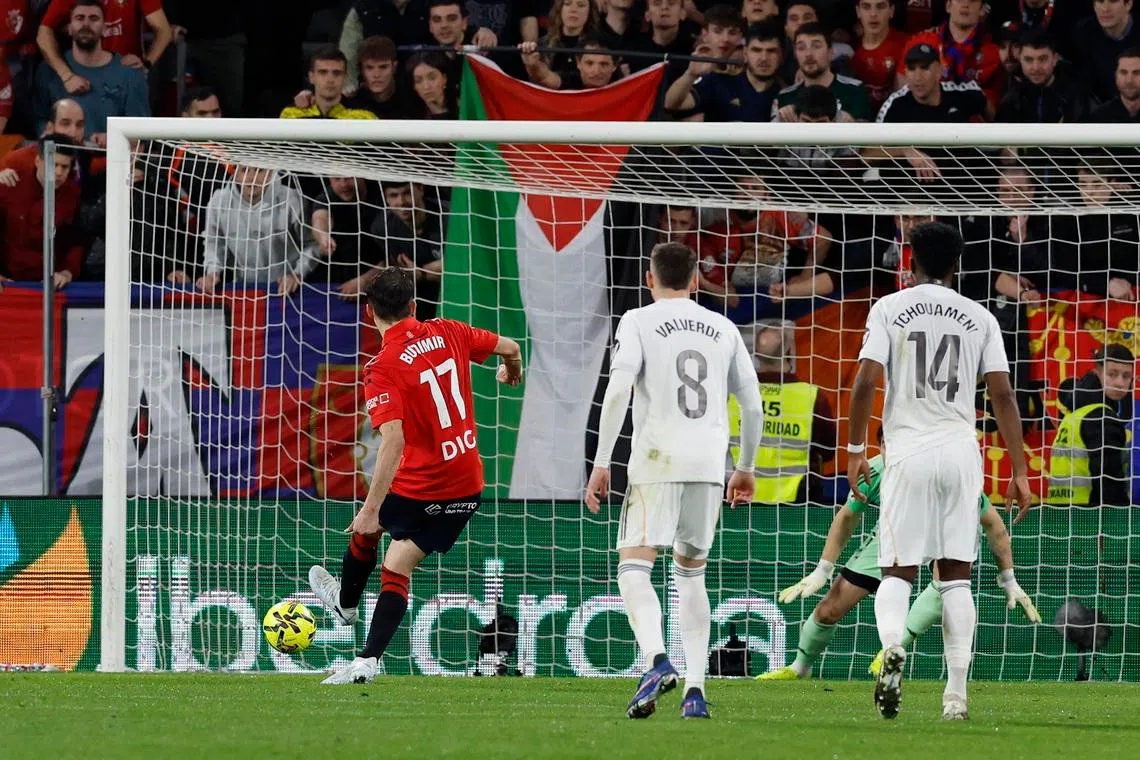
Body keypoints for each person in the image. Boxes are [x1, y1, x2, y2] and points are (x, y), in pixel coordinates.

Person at [846, 221, 1031, 720]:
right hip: (959, 452)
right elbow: (1003, 395)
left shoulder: (889, 308)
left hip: (906, 450)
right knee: (955, 579)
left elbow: (865, 383)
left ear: (910, 260)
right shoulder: (980, 316)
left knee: (897, 572)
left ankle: (891, 648)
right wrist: (1019, 469)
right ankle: (955, 698)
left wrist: (855, 448)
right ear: (958, 265)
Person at [309, 267, 523, 685]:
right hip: (466, 480)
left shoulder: (382, 366)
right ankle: (365, 656)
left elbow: (393, 440)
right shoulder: (449, 330)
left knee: (369, 533)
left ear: (369, 311)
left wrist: (371, 509)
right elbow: (511, 346)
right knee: (397, 563)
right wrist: (512, 370)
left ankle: (346, 606)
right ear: (414, 305)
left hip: (422, 482)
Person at [584, 242, 763, 720]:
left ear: (650, 279)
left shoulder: (638, 320)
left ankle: (656, 660)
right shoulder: (723, 327)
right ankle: (696, 691)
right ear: (696, 281)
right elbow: (752, 404)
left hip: (657, 460)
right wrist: (744, 467)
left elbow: (619, 387)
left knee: (634, 566)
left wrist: (602, 461)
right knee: (690, 575)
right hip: (708, 464)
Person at [757, 429, 1041, 681]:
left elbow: (995, 525)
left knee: (949, 583)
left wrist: (1009, 578)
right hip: (893, 532)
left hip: (940, 531)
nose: (891, 453)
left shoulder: (945, 477)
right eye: (885, 446)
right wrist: (823, 569)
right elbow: (846, 518)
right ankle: (799, 667)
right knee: (830, 607)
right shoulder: (875, 471)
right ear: (880, 446)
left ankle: (893, 651)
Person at [728, 320, 836, 504]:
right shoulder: (812, 396)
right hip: (797, 502)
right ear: (789, 352)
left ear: (755, 355)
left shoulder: (734, 395)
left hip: (739, 497)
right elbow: (828, 452)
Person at [34, 1, 150, 137]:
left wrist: (113, 139)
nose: (86, 24)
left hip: (111, 156)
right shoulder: (48, 72)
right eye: (79, 18)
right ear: (69, 29)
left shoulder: (131, 72)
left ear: (105, 28)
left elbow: (140, 131)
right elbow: (39, 123)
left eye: (94, 18)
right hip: (63, 156)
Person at [197, 166, 312, 295]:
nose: (251, 178)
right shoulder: (219, 201)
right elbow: (214, 243)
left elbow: (312, 243)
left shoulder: (292, 199)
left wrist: (298, 273)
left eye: (259, 171)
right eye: (244, 170)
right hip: (245, 289)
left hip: (287, 289)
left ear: (270, 173)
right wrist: (213, 272)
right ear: (236, 175)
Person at [1047, 345, 1135, 507]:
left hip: (1059, 508)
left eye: (1126, 376)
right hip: (1090, 514)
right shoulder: (1100, 416)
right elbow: (1107, 475)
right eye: (1112, 374)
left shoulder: (1074, 411)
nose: (1120, 383)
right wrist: (1118, 517)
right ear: (1097, 372)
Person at [0, 136, 83, 291]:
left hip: (50, 286)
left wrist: (67, 272)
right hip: (7, 285)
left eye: (64, 167)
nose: (58, 172)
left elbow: (76, 241)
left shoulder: (73, 195)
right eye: (53, 164)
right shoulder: (9, 185)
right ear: (38, 161)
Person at [664, 20, 783, 122]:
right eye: (756, 50)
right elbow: (672, 104)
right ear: (745, 53)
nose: (763, 58)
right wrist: (690, 74)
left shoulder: (786, 94)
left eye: (771, 51)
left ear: (781, 55)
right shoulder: (718, 82)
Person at [37, 0, 173, 86]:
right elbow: (43, 33)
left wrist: (146, 65)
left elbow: (164, 31)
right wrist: (65, 74)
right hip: (81, 77)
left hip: (126, 75)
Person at [774, 23, 872, 121]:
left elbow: (867, 133)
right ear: (795, 54)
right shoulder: (785, 97)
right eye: (801, 48)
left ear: (830, 52)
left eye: (816, 46)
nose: (808, 54)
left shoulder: (854, 90)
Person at [996, 30, 1090, 125]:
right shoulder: (1011, 100)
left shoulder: (1075, 98)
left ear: (1055, 59)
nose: (1036, 67)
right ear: (1020, 59)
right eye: (1029, 60)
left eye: (1042, 59)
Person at [1072, 0, 1140, 105]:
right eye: (1100, 1)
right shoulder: (1085, 31)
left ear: (1128, 4)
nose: (1105, 9)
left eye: (1113, 1)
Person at [279, 47, 377, 120]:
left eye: (337, 73)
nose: (330, 79)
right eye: (323, 72)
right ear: (311, 77)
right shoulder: (291, 115)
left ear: (345, 78)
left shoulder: (364, 117)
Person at [850, 0, 910, 112]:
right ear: (858, 11)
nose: (873, 14)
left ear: (891, 11)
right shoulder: (850, 50)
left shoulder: (907, 45)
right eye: (866, 7)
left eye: (880, 6)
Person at [1088, 49, 1140, 122]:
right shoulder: (1098, 118)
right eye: (1123, 73)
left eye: (1137, 73)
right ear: (1116, 76)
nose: (1129, 81)